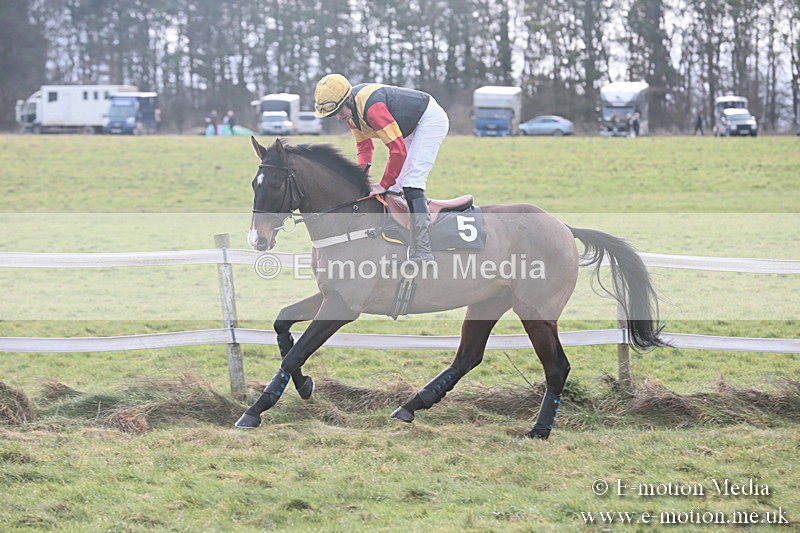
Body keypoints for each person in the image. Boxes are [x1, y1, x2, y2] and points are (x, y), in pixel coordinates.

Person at [313, 73, 449, 263]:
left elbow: (397, 150)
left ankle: (423, 250)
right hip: (408, 127)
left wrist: (384, 183)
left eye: (338, 111)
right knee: (395, 190)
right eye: (332, 114)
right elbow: (365, 148)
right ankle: (398, 242)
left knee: (411, 183)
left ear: (349, 99)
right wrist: (359, 180)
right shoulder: (349, 114)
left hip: (428, 120)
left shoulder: (372, 109)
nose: (337, 117)